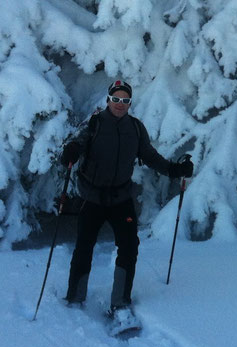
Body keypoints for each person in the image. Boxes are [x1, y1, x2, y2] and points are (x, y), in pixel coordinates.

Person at [61, 80, 193, 313]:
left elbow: (150, 156)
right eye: (116, 99)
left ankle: (120, 302)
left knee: (129, 246)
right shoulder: (95, 124)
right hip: (92, 196)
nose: (120, 104)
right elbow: (78, 143)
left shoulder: (135, 128)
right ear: (108, 100)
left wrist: (174, 170)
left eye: (125, 100)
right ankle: (75, 297)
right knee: (84, 247)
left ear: (130, 103)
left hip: (121, 198)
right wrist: (71, 151)